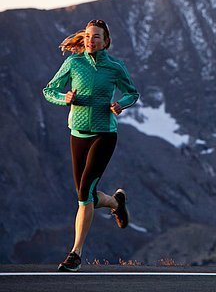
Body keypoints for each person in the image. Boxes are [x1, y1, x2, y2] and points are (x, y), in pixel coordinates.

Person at [43, 19, 140, 272]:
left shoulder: (115, 67)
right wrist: (64, 98)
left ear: (106, 41)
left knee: (84, 193)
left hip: (104, 134)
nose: (91, 40)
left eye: (96, 36)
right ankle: (116, 203)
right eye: (88, 36)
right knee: (84, 196)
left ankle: (75, 254)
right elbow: (48, 90)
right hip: (77, 134)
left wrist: (121, 104)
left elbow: (133, 92)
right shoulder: (73, 63)